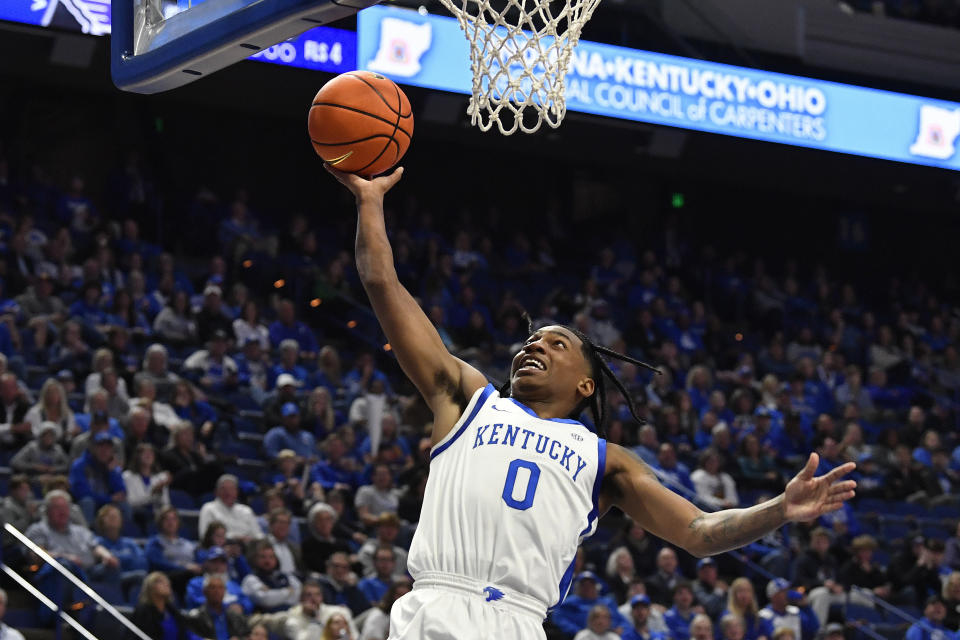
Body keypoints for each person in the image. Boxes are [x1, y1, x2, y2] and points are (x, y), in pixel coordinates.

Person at [324, 165, 858, 640]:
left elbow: (699, 533)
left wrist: (780, 511)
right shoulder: (468, 399)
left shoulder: (607, 459)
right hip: (436, 606)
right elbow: (381, 282)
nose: (535, 345)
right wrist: (370, 203)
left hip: (519, 621)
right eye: (532, 340)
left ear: (586, 385)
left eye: (556, 344)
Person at [281, 578, 360, 640]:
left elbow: (354, 637)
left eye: (317, 595)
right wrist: (314, 619)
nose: (313, 599)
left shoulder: (338, 612)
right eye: (308, 595)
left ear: (322, 597)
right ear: (301, 599)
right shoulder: (293, 617)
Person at [240, 539, 302, 613]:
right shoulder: (250, 579)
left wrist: (273, 594)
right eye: (263, 557)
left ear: (276, 559)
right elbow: (265, 600)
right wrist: (288, 592)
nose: (267, 561)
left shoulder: (286, 577)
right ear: (255, 559)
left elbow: (299, 594)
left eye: (271, 557)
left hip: (290, 614)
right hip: (265, 618)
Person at [198, 474, 263, 543]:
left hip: (248, 548)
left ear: (237, 492)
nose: (228, 492)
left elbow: (258, 535)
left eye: (231, 489)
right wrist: (236, 539)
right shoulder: (208, 508)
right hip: (221, 549)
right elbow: (204, 536)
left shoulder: (246, 510)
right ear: (216, 492)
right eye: (224, 489)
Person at [130, 572, 194, 640]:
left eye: (167, 581)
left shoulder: (173, 611)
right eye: (160, 581)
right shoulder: (143, 611)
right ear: (150, 587)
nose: (166, 583)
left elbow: (187, 634)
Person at [185, 574, 250, 640]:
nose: (217, 591)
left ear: (224, 591)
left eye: (220, 587)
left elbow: (246, 635)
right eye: (213, 587)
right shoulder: (195, 617)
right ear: (204, 591)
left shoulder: (235, 616)